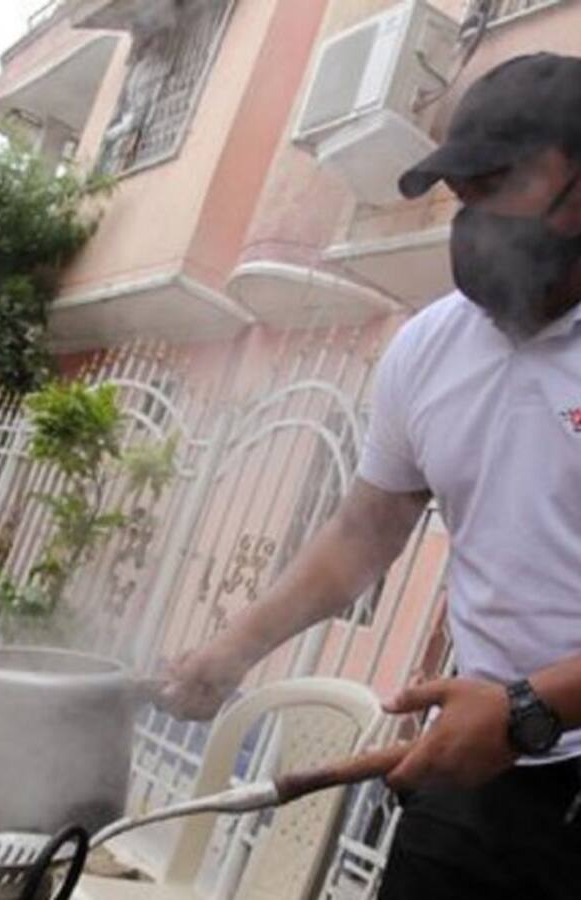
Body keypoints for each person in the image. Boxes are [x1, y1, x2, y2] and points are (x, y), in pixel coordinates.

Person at [157, 53, 581, 898]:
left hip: (515, 727)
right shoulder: (430, 347)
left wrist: (535, 707)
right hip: (480, 766)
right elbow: (363, 533)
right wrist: (233, 648)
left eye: (502, 187)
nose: (476, 225)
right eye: (465, 198)